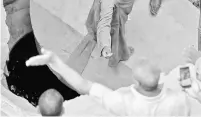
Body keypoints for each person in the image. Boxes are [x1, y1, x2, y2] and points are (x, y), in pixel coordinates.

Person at [26, 48, 191, 116]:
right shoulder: (177, 100)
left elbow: (83, 85)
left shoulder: (121, 102)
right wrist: (188, 65)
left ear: (137, 82)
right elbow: (187, 87)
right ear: (160, 78)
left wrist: (55, 61)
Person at [69, 0, 140, 72]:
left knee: (97, 20)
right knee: (116, 34)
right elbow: (105, 22)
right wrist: (105, 46)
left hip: (107, 6)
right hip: (114, 14)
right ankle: (118, 56)